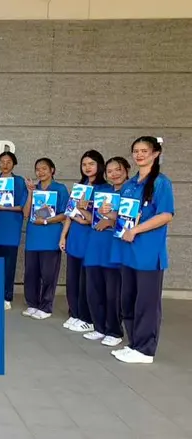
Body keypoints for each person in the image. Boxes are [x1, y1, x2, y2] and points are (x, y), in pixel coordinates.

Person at [111, 136, 174, 364]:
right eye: (136, 151)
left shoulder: (161, 183)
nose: (139, 155)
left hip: (148, 254)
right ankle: (134, 343)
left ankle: (145, 350)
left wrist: (136, 230)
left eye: (144, 151)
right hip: (128, 252)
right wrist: (109, 211)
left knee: (146, 304)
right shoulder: (130, 185)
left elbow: (166, 215)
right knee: (128, 301)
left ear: (155, 153)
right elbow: (122, 214)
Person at [82, 156, 130, 348]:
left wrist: (110, 221)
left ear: (127, 170)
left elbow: (134, 219)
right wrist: (80, 208)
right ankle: (99, 327)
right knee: (94, 290)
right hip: (95, 246)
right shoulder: (102, 192)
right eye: (110, 171)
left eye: (118, 169)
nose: (114, 174)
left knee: (113, 293)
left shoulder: (131, 192)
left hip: (115, 248)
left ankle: (114, 331)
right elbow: (92, 220)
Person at [59, 150, 108, 333]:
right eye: (84, 164)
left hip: (91, 238)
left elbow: (98, 219)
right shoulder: (80, 187)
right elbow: (69, 214)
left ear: (99, 166)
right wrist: (63, 235)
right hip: (75, 237)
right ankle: (75, 313)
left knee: (87, 282)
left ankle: (88, 318)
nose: (87, 167)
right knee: (73, 279)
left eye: (91, 164)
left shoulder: (105, 189)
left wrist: (84, 217)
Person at [22, 158, 69, 320]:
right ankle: (33, 304)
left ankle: (46, 307)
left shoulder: (60, 189)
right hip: (33, 237)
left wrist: (46, 221)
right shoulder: (34, 188)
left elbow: (66, 214)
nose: (40, 172)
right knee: (31, 273)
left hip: (51, 237)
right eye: (37, 169)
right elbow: (26, 213)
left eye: (44, 168)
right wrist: (30, 193)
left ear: (52, 170)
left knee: (49, 274)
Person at [0, 152, 28, 310]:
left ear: (14, 164)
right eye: (2, 161)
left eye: (8, 162)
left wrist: (1, 207)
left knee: (8, 265)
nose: (5, 164)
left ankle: (6, 296)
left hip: (10, 228)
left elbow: (22, 207)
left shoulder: (19, 181)